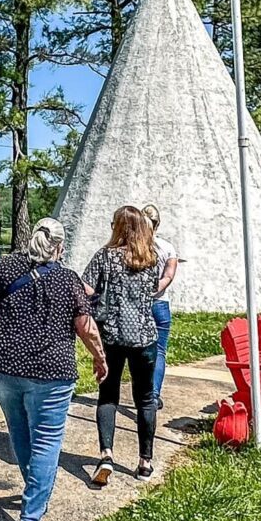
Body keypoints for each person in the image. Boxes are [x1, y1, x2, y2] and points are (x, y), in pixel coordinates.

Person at [0, 218, 106, 521]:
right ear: (58, 247)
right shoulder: (68, 279)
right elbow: (85, 325)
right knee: (46, 440)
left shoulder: (5, 267)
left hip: (2, 367)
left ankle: (33, 493)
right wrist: (100, 357)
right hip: (50, 373)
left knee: (19, 430)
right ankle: (30, 519)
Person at [81, 205, 164, 485]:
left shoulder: (105, 256)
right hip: (144, 336)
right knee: (145, 398)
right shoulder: (150, 257)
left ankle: (106, 455)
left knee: (107, 395)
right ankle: (145, 461)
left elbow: (86, 289)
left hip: (112, 336)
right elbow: (155, 288)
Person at [140, 203, 179, 410]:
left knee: (136, 353)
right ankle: (153, 396)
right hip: (160, 304)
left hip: (137, 305)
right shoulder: (168, 248)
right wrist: (156, 288)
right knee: (159, 352)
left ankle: (141, 395)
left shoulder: (133, 246)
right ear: (158, 223)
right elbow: (169, 276)